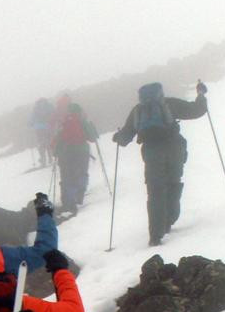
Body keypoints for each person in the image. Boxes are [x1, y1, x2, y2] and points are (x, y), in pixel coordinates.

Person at [112, 81, 208, 246]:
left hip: (152, 153)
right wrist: (201, 95)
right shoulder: (169, 103)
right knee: (173, 184)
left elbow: (124, 139)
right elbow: (197, 111)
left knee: (155, 191)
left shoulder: (137, 111)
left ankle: (155, 235)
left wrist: (117, 136)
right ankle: (169, 221)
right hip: (174, 149)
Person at [52, 103, 98, 215]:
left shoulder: (64, 123)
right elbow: (92, 138)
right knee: (82, 173)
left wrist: (56, 153)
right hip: (82, 152)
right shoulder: (83, 121)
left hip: (65, 153)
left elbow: (56, 140)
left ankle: (68, 202)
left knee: (67, 177)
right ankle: (80, 194)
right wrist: (91, 126)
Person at [28, 98, 55, 167]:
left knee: (41, 144)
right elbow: (54, 114)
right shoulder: (49, 106)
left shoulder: (36, 108)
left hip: (39, 128)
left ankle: (43, 160)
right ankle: (50, 158)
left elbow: (32, 118)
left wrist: (31, 124)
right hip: (48, 127)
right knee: (48, 143)